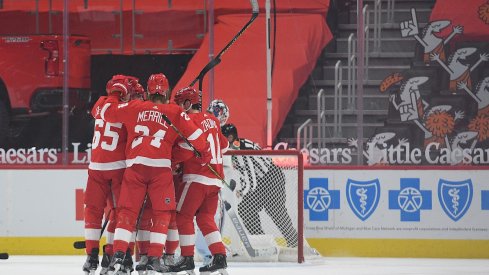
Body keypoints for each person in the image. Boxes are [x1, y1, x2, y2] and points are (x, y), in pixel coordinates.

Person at [101, 76, 211, 274]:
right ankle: (154, 258)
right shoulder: (175, 112)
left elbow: (108, 113)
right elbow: (198, 140)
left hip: (135, 166)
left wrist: (114, 94)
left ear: (149, 92)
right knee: (162, 213)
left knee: (127, 212)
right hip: (160, 168)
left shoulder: (135, 106)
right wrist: (180, 156)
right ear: (167, 92)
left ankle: (118, 255)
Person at [82, 74, 140, 275]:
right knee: (121, 212)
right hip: (118, 168)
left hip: (96, 166)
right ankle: (112, 254)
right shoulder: (129, 109)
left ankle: (91, 256)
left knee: (93, 210)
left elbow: (100, 111)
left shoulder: (100, 103)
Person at [169, 87, 229, 275]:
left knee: (183, 216)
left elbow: (186, 148)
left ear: (187, 104)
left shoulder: (189, 120)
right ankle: (220, 257)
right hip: (216, 180)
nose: (178, 107)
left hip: (197, 176)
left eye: (180, 103)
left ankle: (187, 258)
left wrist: (173, 161)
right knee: (205, 217)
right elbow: (225, 146)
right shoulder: (212, 120)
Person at [221, 123, 300, 249]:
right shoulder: (235, 147)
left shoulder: (240, 149)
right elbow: (246, 175)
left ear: (232, 137)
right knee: (245, 209)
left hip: (272, 177)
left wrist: (242, 192)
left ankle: (294, 242)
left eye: (226, 138)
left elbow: (250, 176)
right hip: (261, 180)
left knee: (275, 209)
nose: (224, 141)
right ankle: (261, 242)